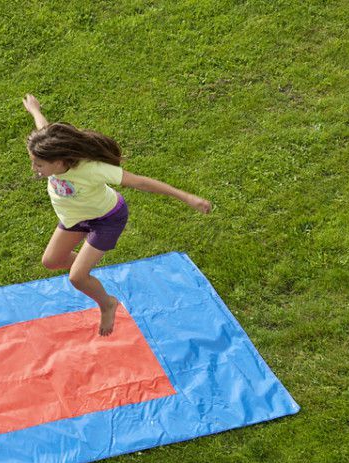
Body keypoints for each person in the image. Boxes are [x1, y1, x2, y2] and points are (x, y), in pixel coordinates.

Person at [22, 94, 212, 336]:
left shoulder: (92, 170)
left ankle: (107, 303)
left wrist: (187, 197)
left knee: (77, 278)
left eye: (39, 164)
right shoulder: (51, 150)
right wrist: (35, 110)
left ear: (59, 162)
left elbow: (141, 182)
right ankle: (86, 264)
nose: (34, 169)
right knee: (51, 261)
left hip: (106, 219)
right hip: (76, 218)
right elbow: (44, 129)